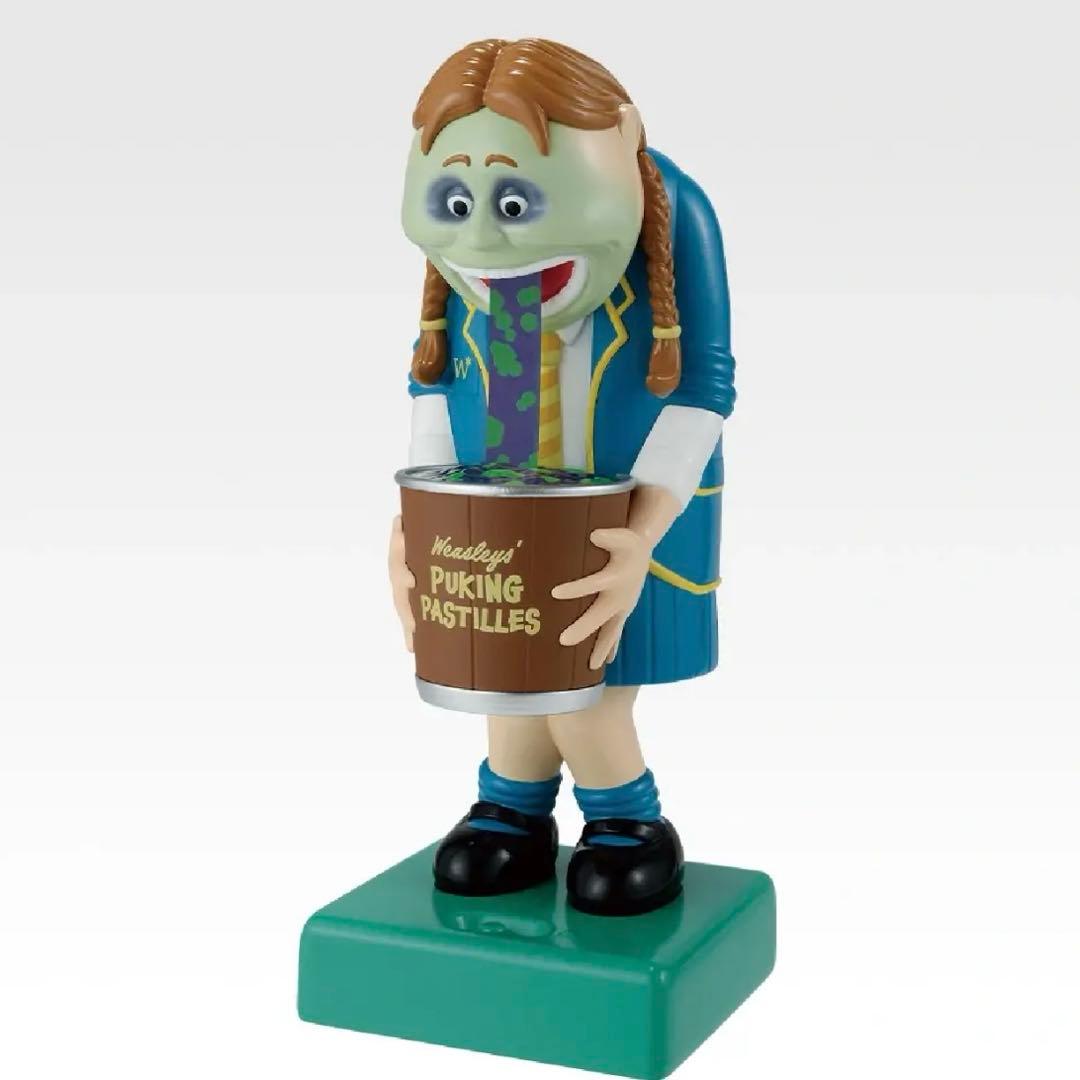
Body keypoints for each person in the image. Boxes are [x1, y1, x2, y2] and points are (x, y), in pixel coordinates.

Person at [388, 39, 736, 916]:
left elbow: (703, 389)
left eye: (514, 204)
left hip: (637, 498)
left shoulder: (678, 213)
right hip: (506, 495)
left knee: (588, 682)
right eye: (455, 205)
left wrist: (641, 533)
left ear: (622, 142)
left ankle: (629, 821)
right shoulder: (489, 280)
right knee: (513, 668)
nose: (481, 242)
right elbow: (434, 376)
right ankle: (512, 805)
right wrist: (415, 525)